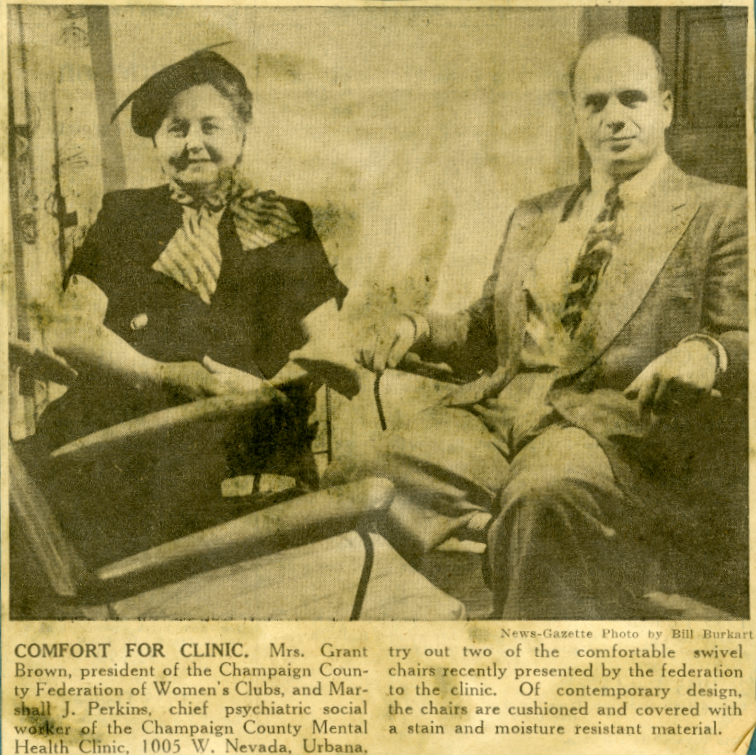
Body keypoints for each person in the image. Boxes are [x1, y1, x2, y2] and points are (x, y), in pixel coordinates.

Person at [331, 34, 748, 619]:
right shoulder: (535, 215)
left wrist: (707, 353)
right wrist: (417, 328)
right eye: (595, 103)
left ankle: (528, 665)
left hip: (610, 428)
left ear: (667, 107)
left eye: (632, 99)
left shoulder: (723, 212)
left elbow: (744, 336)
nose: (614, 119)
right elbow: (484, 329)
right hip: (500, 413)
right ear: (577, 113)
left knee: (541, 497)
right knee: (357, 471)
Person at [26, 49, 348, 563]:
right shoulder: (126, 215)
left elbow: (333, 344)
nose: (193, 142)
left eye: (210, 126)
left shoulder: (281, 219)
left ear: (241, 132)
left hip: (234, 437)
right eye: (177, 129)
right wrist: (165, 374)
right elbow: (68, 329)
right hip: (119, 428)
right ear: (156, 141)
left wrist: (262, 390)